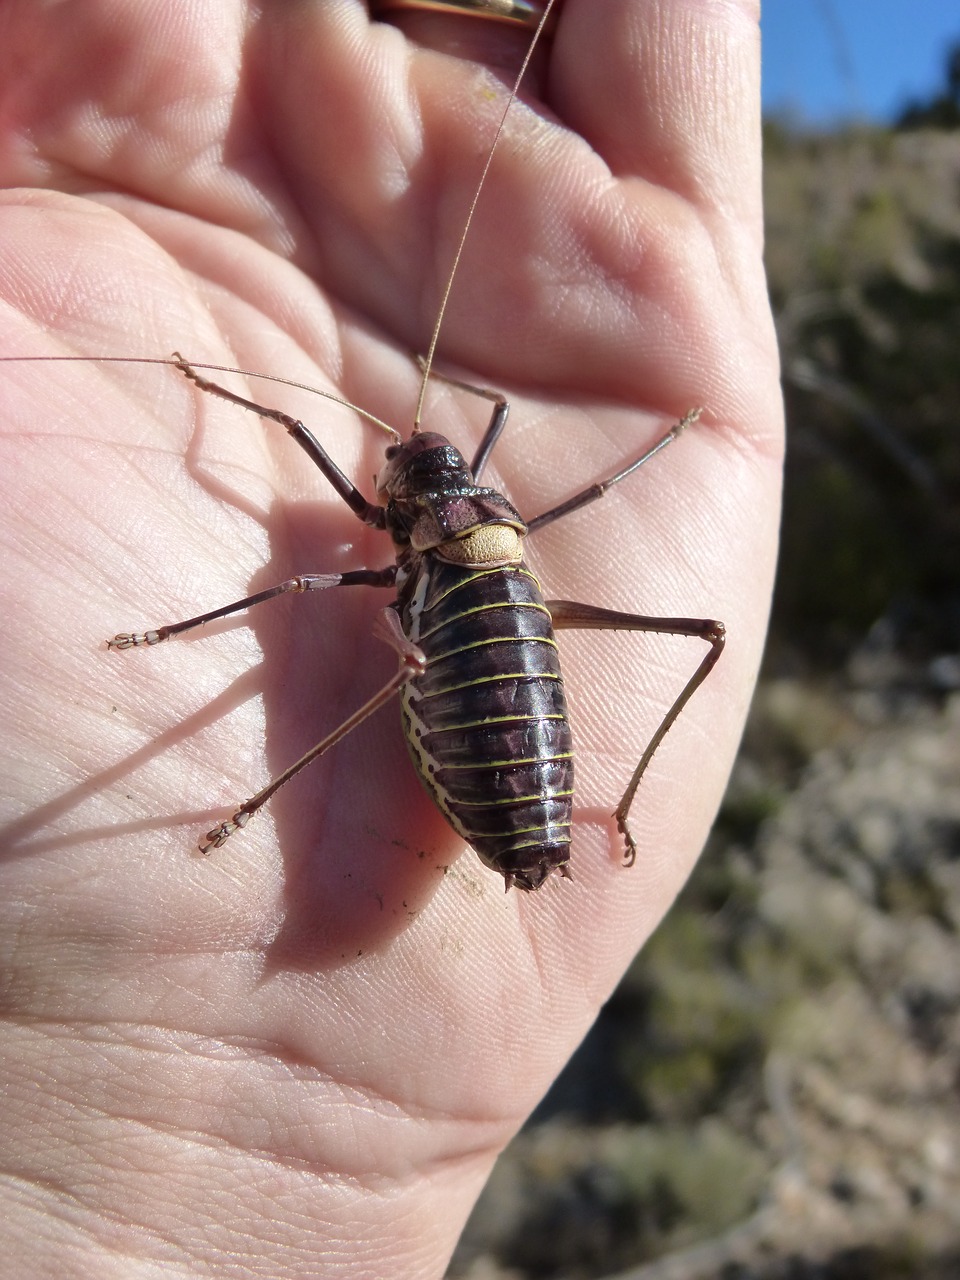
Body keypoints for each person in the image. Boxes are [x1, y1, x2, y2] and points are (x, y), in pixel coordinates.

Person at [0, 1, 782, 1274]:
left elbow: (346, 524)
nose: (395, 462)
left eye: (407, 465)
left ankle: (266, 808)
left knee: (338, 608)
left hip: (481, 702)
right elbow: (483, 443)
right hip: (496, 679)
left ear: (412, 491)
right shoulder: (460, 498)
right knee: (380, 618)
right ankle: (565, 809)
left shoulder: (406, 522)